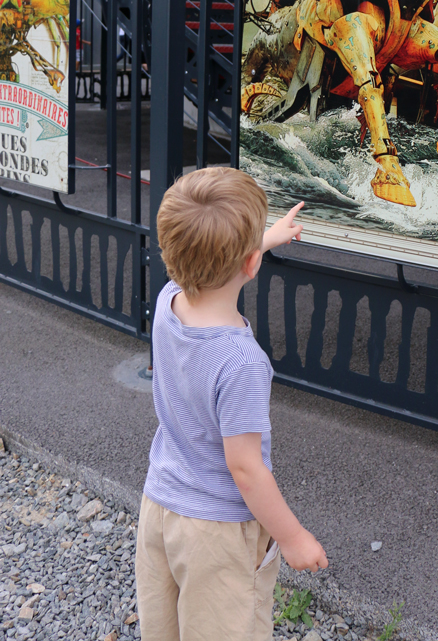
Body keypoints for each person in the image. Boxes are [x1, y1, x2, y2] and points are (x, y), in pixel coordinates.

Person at [135, 167, 328, 641]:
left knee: (164, 628)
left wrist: (261, 241)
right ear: (249, 265)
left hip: (160, 505)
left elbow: (205, 261)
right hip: (216, 531)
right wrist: (291, 536)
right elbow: (245, 469)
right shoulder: (241, 362)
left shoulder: (168, 300)